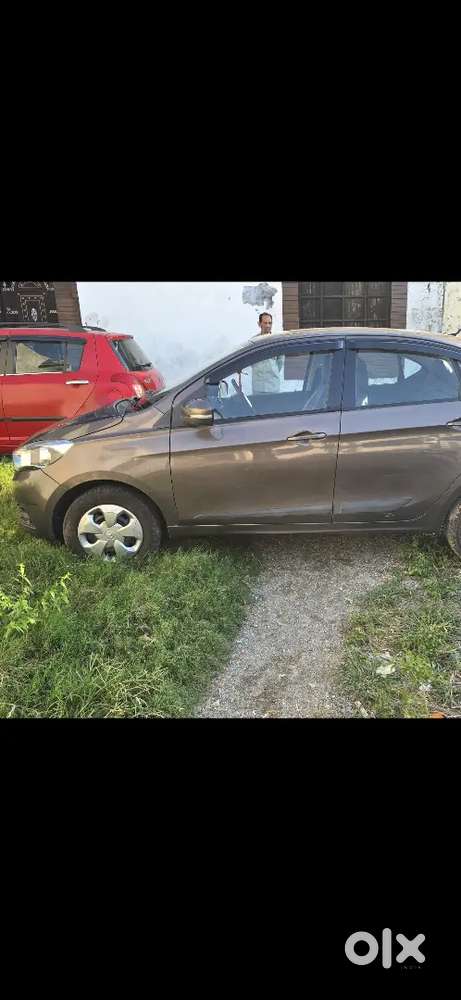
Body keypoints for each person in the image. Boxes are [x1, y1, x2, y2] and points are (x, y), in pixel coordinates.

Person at [251, 312, 283, 394]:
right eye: (265, 323)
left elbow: (280, 362)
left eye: (270, 323)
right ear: (259, 324)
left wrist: (272, 371)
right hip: (258, 386)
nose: (268, 325)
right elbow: (250, 361)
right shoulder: (253, 341)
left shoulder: (276, 341)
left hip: (273, 386)